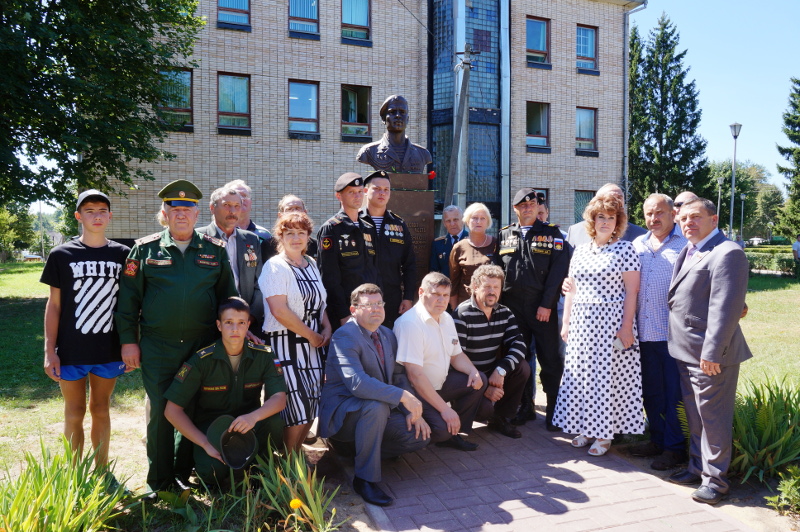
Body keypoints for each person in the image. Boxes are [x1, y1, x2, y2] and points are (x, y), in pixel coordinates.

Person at [116, 179, 238, 494]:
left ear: (198, 214)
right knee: (160, 411)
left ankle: (183, 472)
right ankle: (160, 480)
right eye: (174, 208)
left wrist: (234, 335)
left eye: (187, 208)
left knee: (192, 408)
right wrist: (129, 341)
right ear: (165, 213)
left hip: (201, 346)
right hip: (158, 346)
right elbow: (127, 301)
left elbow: (228, 298)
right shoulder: (143, 249)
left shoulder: (215, 250)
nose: (181, 214)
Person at [666, 198, 752, 505]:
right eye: (684, 218)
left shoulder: (727, 252)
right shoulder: (691, 250)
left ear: (714, 220)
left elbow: (725, 308)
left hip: (710, 356)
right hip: (685, 351)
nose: (688, 222)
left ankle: (716, 482)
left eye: (696, 217)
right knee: (696, 416)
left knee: (713, 418)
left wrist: (712, 352)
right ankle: (698, 468)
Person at [41, 190, 130, 468]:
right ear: (78, 216)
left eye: (102, 210)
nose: (96, 215)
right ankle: (73, 472)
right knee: (74, 411)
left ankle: (102, 470)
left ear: (110, 216)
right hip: (70, 349)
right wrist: (49, 350)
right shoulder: (61, 254)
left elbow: (131, 305)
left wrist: (130, 344)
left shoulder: (123, 254)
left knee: (101, 409)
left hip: (108, 348)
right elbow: (54, 305)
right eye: (89, 210)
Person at [319, 284, 430, 506]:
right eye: (368, 305)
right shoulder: (344, 336)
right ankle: (364, 478)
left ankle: (361, 453)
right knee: (375, 407)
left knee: (417, 435)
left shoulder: (387, 334)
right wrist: (403, 397)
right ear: (353, 309)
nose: (376, 309)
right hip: (345, 414)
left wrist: (409, 408)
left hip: (375, 409)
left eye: (379, 304)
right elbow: (357, 383)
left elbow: (398, 376)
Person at [553, 193, 644, 457]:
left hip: (611, 324)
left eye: (611, 218)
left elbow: (632, 292)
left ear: (619, 221)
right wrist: (566, 322)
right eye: (601, 217)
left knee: (607, 380)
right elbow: (571, 289)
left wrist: (627, 326)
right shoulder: (580, 250)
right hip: (582, 325)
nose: (605, 222)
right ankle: (587, 428)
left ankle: (605, 434)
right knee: (583, 378)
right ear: (592, 220)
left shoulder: (625, 249)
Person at [164, 298, 286, 488]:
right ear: (219, 326)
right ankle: (227, 468)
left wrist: (253, 417)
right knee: (210, 474)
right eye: (229, 323)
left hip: (248, 423)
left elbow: (279, 398)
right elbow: (172, 410)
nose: (235, 329)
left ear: (248, 325)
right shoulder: (202, 359)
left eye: (241, 323)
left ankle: (259, 468)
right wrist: (204, 443)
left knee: (275, 420)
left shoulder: (264, 354)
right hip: (213, 427)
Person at [494, 188, 569, 430]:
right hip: (514, 310)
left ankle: (554, 412)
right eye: (522, 205)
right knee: (519, 361)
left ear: (538, 207)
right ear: (515, 209)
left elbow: (558, 272)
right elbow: (497, 272)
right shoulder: (504, 235)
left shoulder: (552, 233)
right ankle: (525, 408)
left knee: (550, 362)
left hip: (541, 309)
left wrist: (546, 304)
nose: (527, 208)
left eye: (532, 204)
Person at [259, 212, 332, 452]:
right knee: (297, 407)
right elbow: (279, 311)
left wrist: (326, 325)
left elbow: (319, 302)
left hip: (313, 346)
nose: (296, 238)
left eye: (301, 233)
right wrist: (311, 335)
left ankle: (298, 451)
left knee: (312, 403)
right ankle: (288, 461)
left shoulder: (311, 263)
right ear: (280, 236)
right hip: (286, 344)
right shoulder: (275, 266)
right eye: (289, 233)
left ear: (309, 236)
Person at [394, 272, 487, 451]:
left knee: (478, 380)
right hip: (417, 392)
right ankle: (438, 430)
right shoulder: (410, 324)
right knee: (442, 430)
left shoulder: (446, 318)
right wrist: (444, 409)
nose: (441, 300)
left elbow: (456, 355)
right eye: (436, 294)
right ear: (421, 292)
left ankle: (455, 429)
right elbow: (415, 376)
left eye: (445, 295)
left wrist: (473, 371)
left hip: (440, 384)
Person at [630, 194, 688, 470]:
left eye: (659, 213)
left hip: (672, 336)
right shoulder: (637, 245)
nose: (653, 219)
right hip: (642, 334)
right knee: (651, 392)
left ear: (673, 214)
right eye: (649, 214)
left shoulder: (686, 245)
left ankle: (674, 447)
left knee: (673, 394)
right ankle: (656, 439)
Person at [453, 265, 530, 439]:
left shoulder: (504, 312)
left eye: (496, 287)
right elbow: (457, 356)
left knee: (522, 367)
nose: (492, 292)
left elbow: (519, 344)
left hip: (491, 371)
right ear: (475, 287)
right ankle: (468, 417)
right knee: (485, 410)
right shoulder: (461, 314)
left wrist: (501, 370)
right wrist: (485, 387)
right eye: (487, 287)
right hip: (469, 376)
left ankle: (502, 418)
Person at [317, 172, 379, 329]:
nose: (357, 196)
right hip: (345, 312)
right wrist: (343, 314)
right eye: (351, 192)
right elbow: (329, 278)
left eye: (360, 192)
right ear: (339, 196)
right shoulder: (331, 228)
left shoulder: (368, 228)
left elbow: (374, 270)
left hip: (368, 308)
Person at [200, 186, 265, 337]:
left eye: (237, 206)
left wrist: (247, 319)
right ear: (212, 208)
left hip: (249, 323)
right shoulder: (199, 238)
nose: (232, 211)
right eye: (226, 205)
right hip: (210, 325)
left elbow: (260, 283)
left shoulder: (251, 239)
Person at [359, 170, 416, 327]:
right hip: (362, 298)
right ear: (365, 191)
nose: (382, 193)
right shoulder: (355, 222)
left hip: (392, 299)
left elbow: (409, 264)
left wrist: (408, 297)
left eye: (386, 190)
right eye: (377, 188)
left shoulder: (399, 224)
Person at [357, 95, 432, 174]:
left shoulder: (423, 153)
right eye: (392, 112)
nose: (398, 116)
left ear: (407, 119)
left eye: (402, 112)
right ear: (383, 118)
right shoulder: (369, 151)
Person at [449, 202, 498, 308]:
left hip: (492, 305)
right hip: (466, 305)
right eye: (474, 218)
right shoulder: (459, 247)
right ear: (467, 221)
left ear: (488, 222)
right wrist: (455, 310)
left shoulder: (497, 244)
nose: (478, 222)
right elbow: (454, 282)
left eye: (482, 218)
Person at [565, 183, 647, 246]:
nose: (615, 202)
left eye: (619, 197)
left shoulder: (641, 235)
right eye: (610, 197)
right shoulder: (575, 232)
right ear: (597, 202)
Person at [226, 179, 276, 260]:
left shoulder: (264, 235)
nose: (242, 199)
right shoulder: (220, 233)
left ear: (251, 203)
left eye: (244, 195)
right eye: (237, 195)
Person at [430, 205, 468, 277]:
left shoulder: (471, 241)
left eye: (455, 220)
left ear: (463, 220)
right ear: (444, 223)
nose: (452, 224)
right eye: (448, 221)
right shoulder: (437, 244)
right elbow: (434, 272)